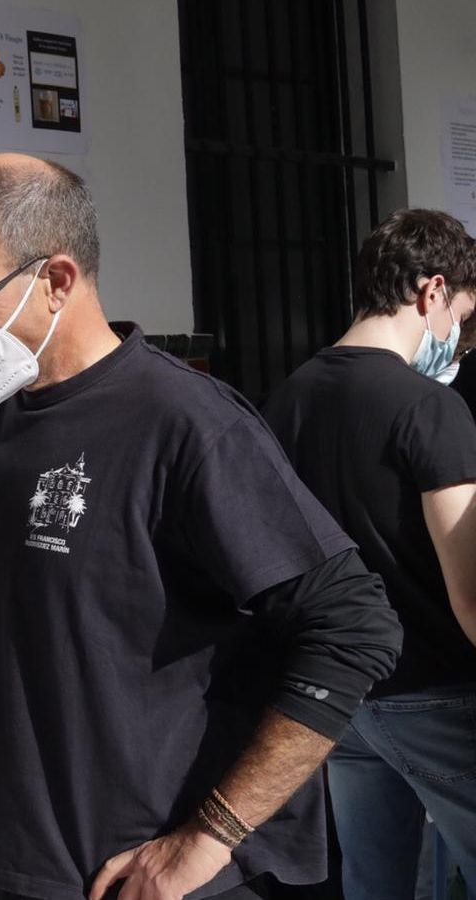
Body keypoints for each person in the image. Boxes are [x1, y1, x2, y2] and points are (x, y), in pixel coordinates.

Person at [0, 154, 402, 900]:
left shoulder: (187, 426)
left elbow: (354, 628)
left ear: (57, 281)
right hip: (8, 879)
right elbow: (1, 666)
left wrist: (208, 839)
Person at [263, 208, 476, 898]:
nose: (458, 341)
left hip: (340, 695)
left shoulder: (288, 399)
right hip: (435, 692)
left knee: (376, 884)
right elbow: (469, 588)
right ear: (431, 291)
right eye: (461, 320)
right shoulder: (429, 407)